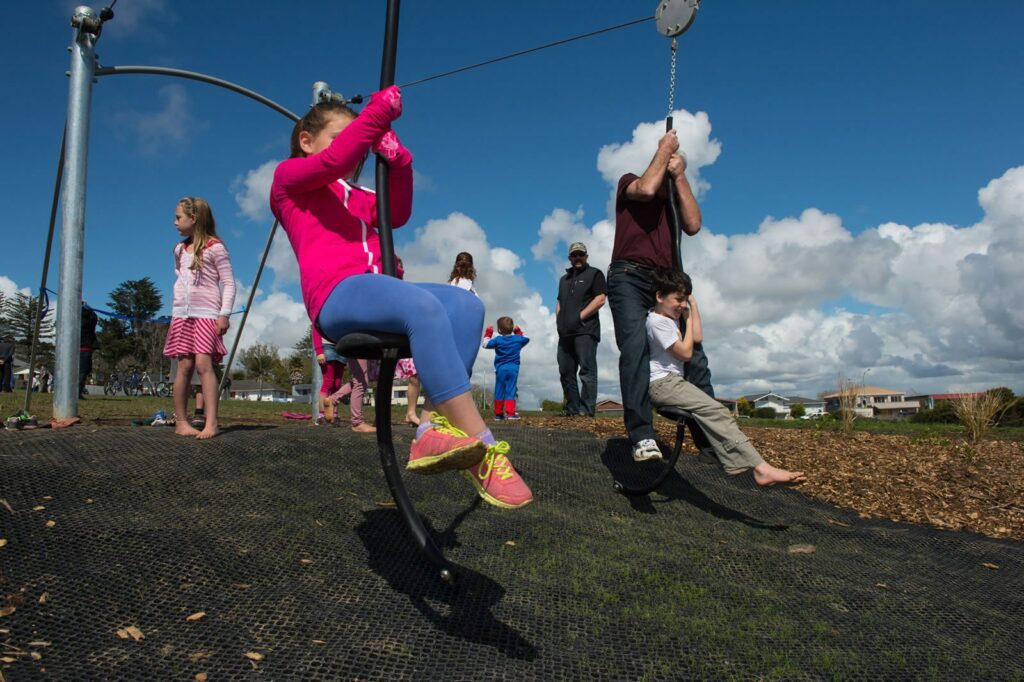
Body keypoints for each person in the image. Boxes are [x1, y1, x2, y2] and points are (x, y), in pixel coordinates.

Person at [269, 87, 531, 509]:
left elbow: (399, 211)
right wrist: (375, 116)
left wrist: (399, 160)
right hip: (337, 296)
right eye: (344, 137)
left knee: (465, 306)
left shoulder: (358, 196)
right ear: (306, 141)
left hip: (377, 291)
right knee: (422, 306)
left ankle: (431, 428)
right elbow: (334, 160)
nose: (354, 152)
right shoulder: (290, 179)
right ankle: (484, 447)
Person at [608, 129, 712, 462]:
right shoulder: (629, 182)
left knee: (693, 354)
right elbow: (648, 186)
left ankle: (708, 439)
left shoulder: (672, 197)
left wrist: (680, 176)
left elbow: (693, 224)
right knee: (636, 347)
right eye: (663, 162)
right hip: (628, 275)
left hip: (665, 282)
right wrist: (665, 149)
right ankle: (642, 435)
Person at [646, 269, 806, 485]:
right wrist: (687, 312)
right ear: (659, 296)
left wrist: (691, 307)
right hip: (662, 383)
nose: (682, 305)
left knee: (715, 411)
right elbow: (685, 353)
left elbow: (698, 336)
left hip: (672, 382)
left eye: (685, 300)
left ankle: (751, 466)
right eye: (678, 299)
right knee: (716, 410)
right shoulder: (657, 321)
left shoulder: (671, 317)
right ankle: (760, 469)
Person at [163, 196, 236, 439]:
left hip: (206, 315)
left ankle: (211, 422)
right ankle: (181, 422)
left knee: (204, 365)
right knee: (184, 366)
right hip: (182, 315)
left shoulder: (215, 248)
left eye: (178, 217)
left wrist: (223, 313)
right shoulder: (179, 249)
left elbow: (228, 282)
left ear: (193, 219)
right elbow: (180, 275)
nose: (175, 222)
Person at [556, 241, 606, 417]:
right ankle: (572, 409)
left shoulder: (595, 274)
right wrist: (559, 320)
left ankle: (586, 410)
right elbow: (559, 301)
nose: (578, 258)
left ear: (586, 256)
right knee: (565, 371)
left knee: (587, 370)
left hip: (585, 331)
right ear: (570, 257)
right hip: (565, 333)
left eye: (581, 254)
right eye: (574, 255)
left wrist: (579, 317)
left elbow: (600, 299)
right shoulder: (564, 279)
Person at [482, 317, 529, 421]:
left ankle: (498, 415)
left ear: (499, 330)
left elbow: (485, 344)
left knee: (499, 390)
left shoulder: (498, 340)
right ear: (512, 328)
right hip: (513, 369)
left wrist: (489, 332)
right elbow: (527, 338)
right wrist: (518, 331)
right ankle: (511, 414)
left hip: (500, 369)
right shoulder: (518, 339)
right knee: (510, 390)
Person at [313, 327, 347, 427]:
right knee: (328, 382)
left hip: (341, 346)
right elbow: (316, 329)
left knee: (337, 384)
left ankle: (334, 416)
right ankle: (321, 416)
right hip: (327, 346)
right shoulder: (323, 312)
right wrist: (319, 351)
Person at [79, 302, 99, 399]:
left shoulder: (76, 319)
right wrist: (87, 306)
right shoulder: (89, 319)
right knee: (84, 371)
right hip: (85, 348)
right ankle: (77, 391)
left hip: (76, 348)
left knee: (81, 371)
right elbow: (95, 317)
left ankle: (77, 391)